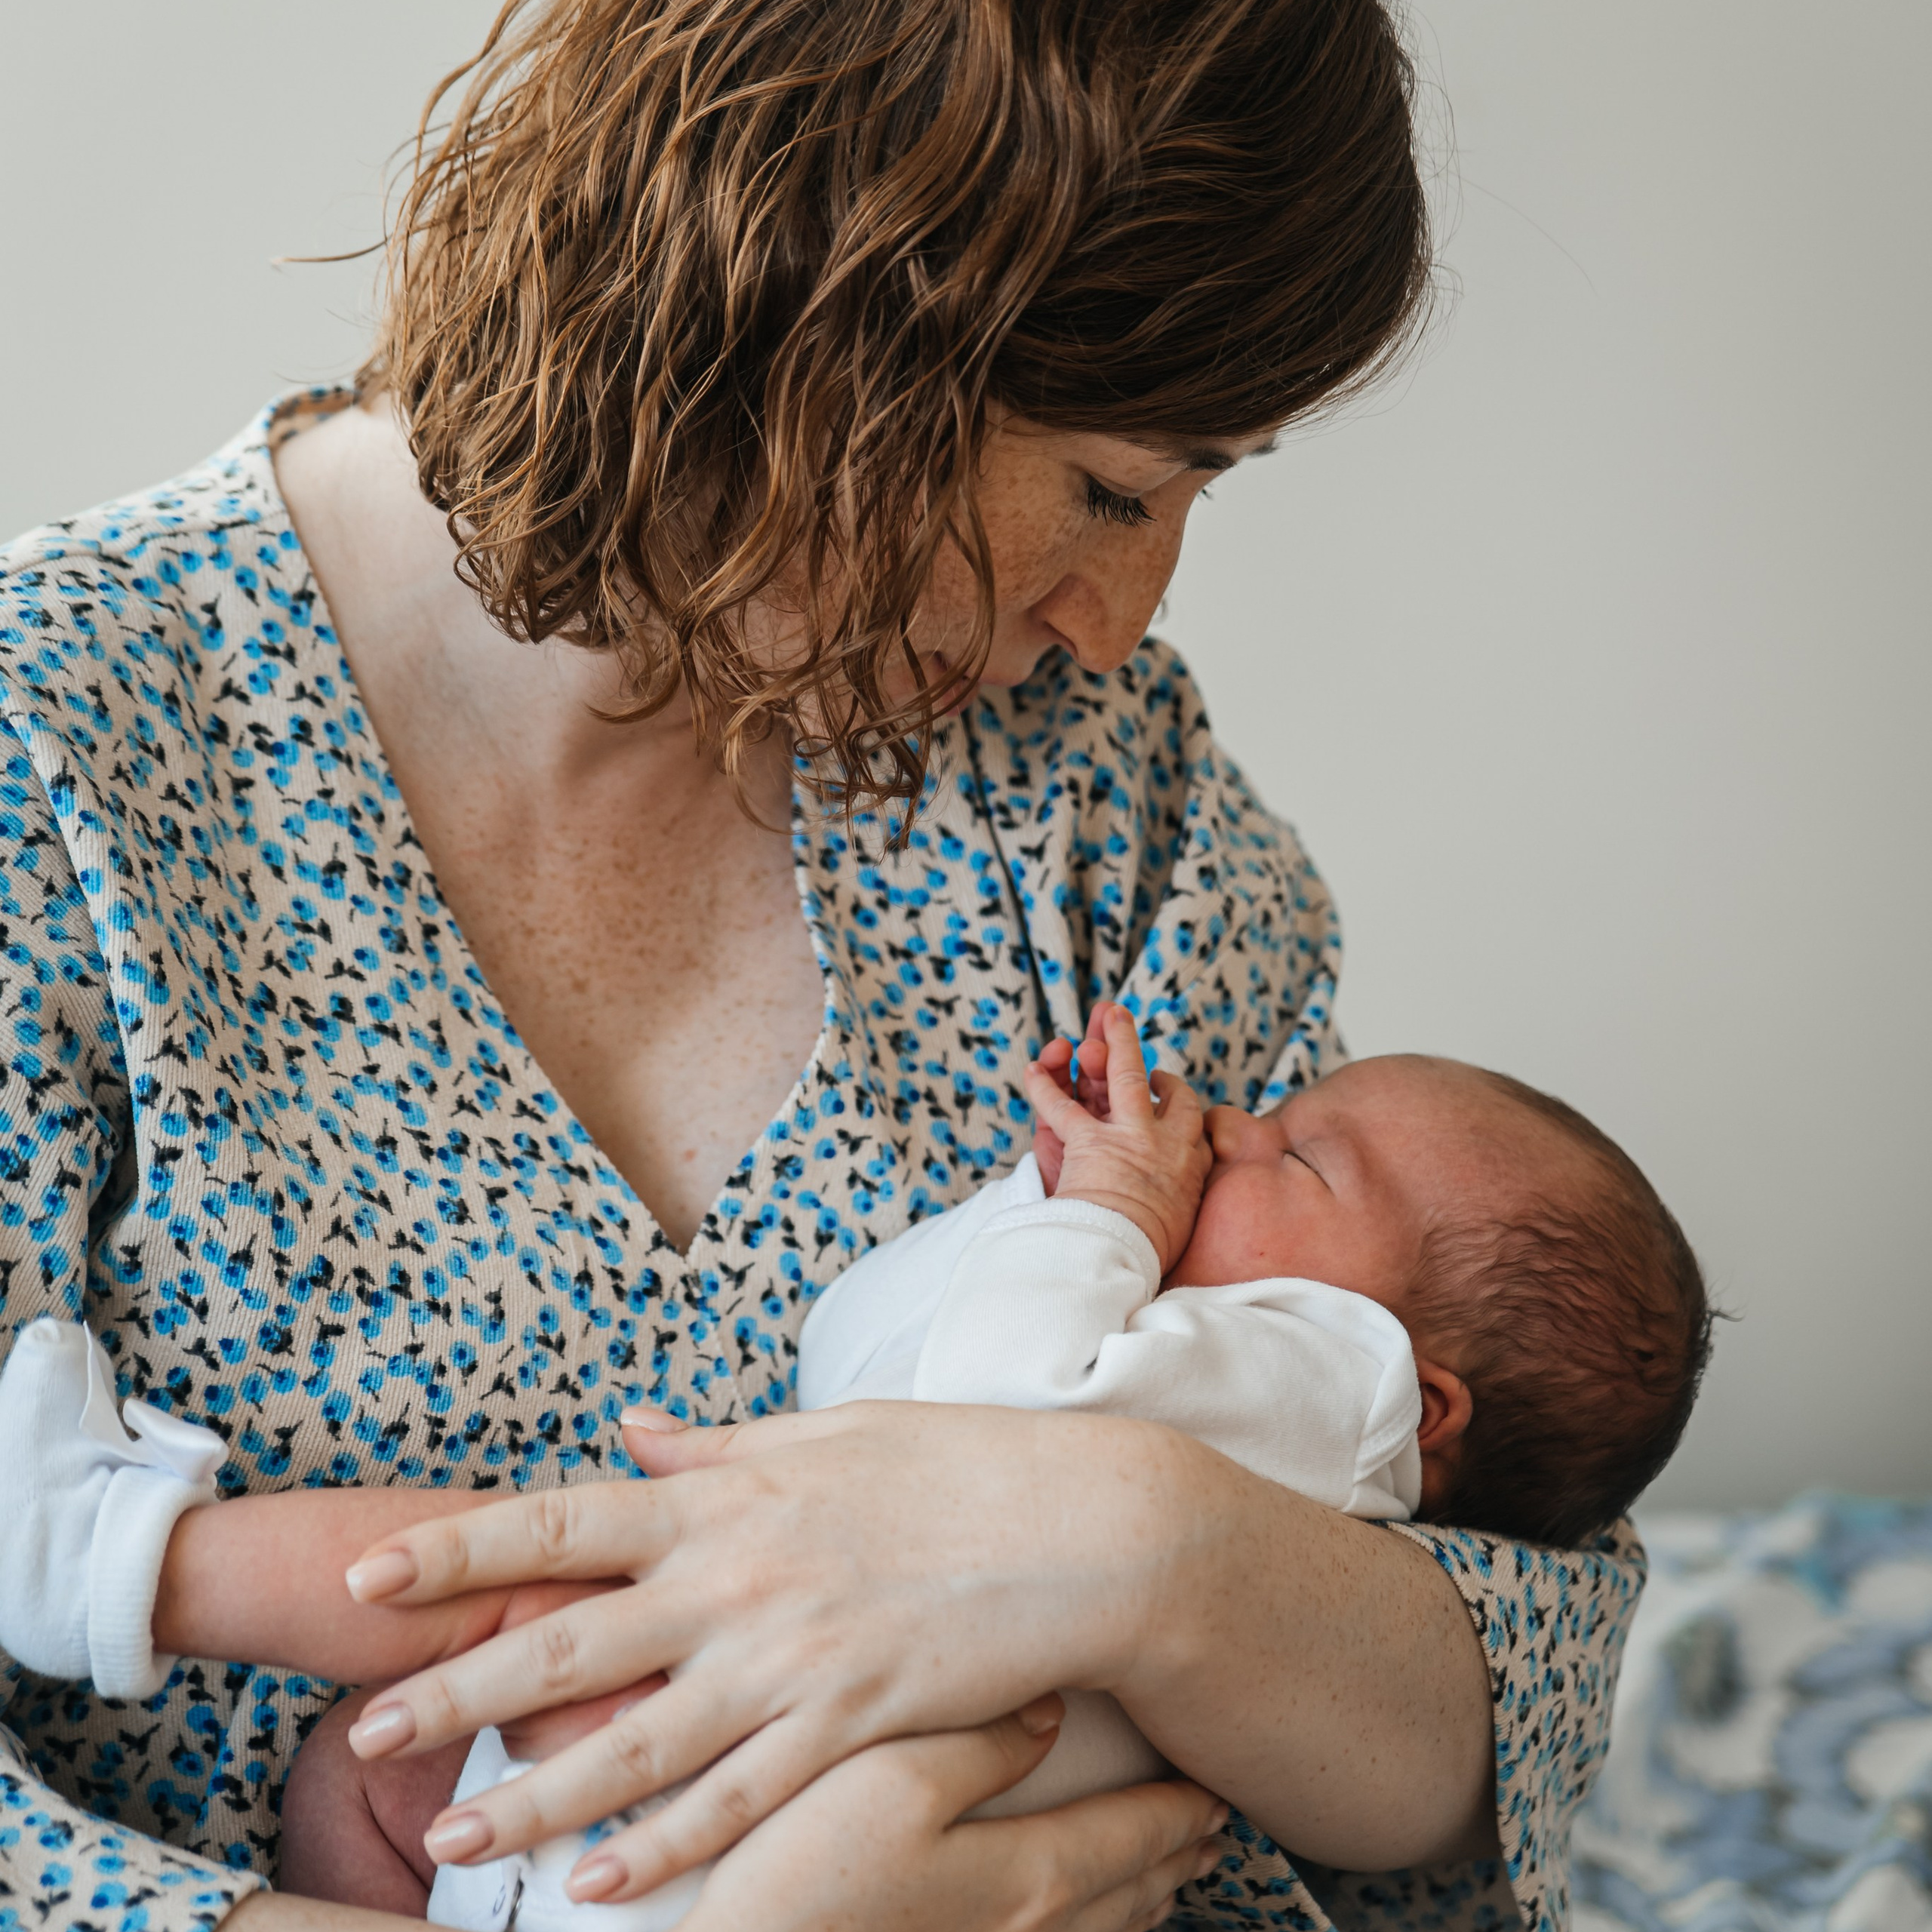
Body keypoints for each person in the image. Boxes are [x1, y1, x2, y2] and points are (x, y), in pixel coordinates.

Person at [0, 3, 1650, 1930]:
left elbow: (1501, 1644)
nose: (1119, 624)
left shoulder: (1088, 797)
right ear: (818, 325)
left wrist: (1142, 1541)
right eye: (1111, 489)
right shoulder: (69, 760)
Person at [0, 1011, 1711, 1930]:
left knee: (510, 1577)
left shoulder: (1323, 1400)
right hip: (702, 1848)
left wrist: (1104, 1212)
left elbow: (986, 1396)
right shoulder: (1238, 1356)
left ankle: (112, 1554)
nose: (1234, 1126)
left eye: (1302, 1149)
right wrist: (1043, 1209)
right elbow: (867, 1351)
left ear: (1423, 1404)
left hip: (753, 1812)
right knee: (392, 1737)